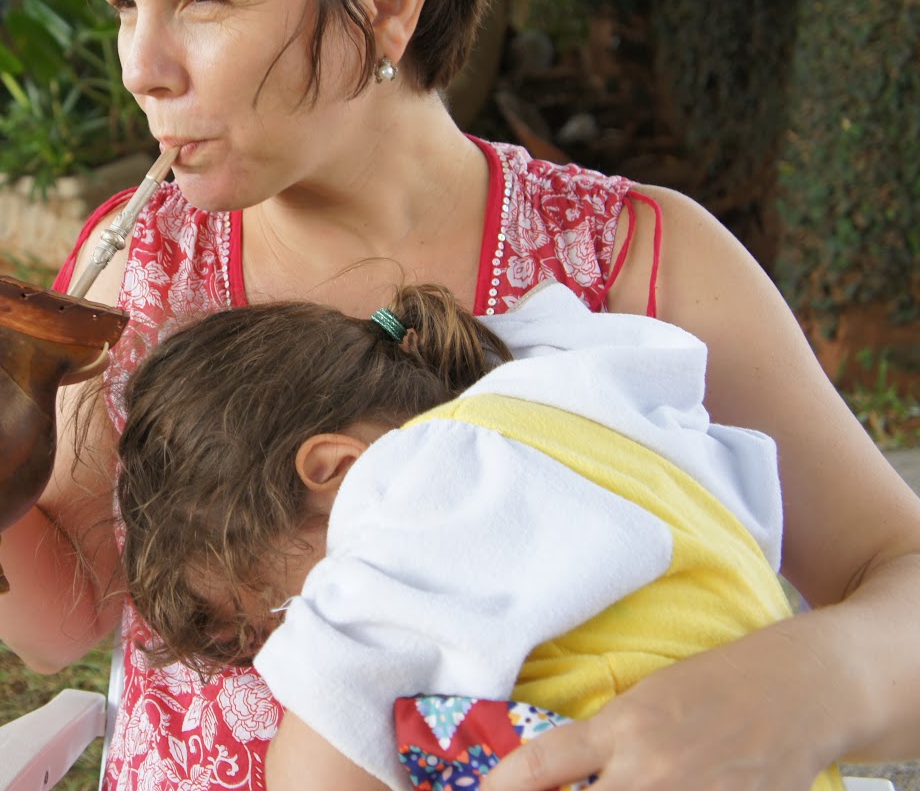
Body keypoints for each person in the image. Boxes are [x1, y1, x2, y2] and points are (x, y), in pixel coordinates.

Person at [0, 0, 920, 788]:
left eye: (200, 0)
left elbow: (900, 569)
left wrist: (809, 683)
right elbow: (64, 622)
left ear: (384, 4)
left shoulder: (637, 263)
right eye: (123, 6)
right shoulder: (142, 265)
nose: (141, 68)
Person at [115, 281, 841, 791]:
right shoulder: (584, 413)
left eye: (281, 609)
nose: (297, 639)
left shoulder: (427, 481)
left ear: (335, 469)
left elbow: (319, 771)